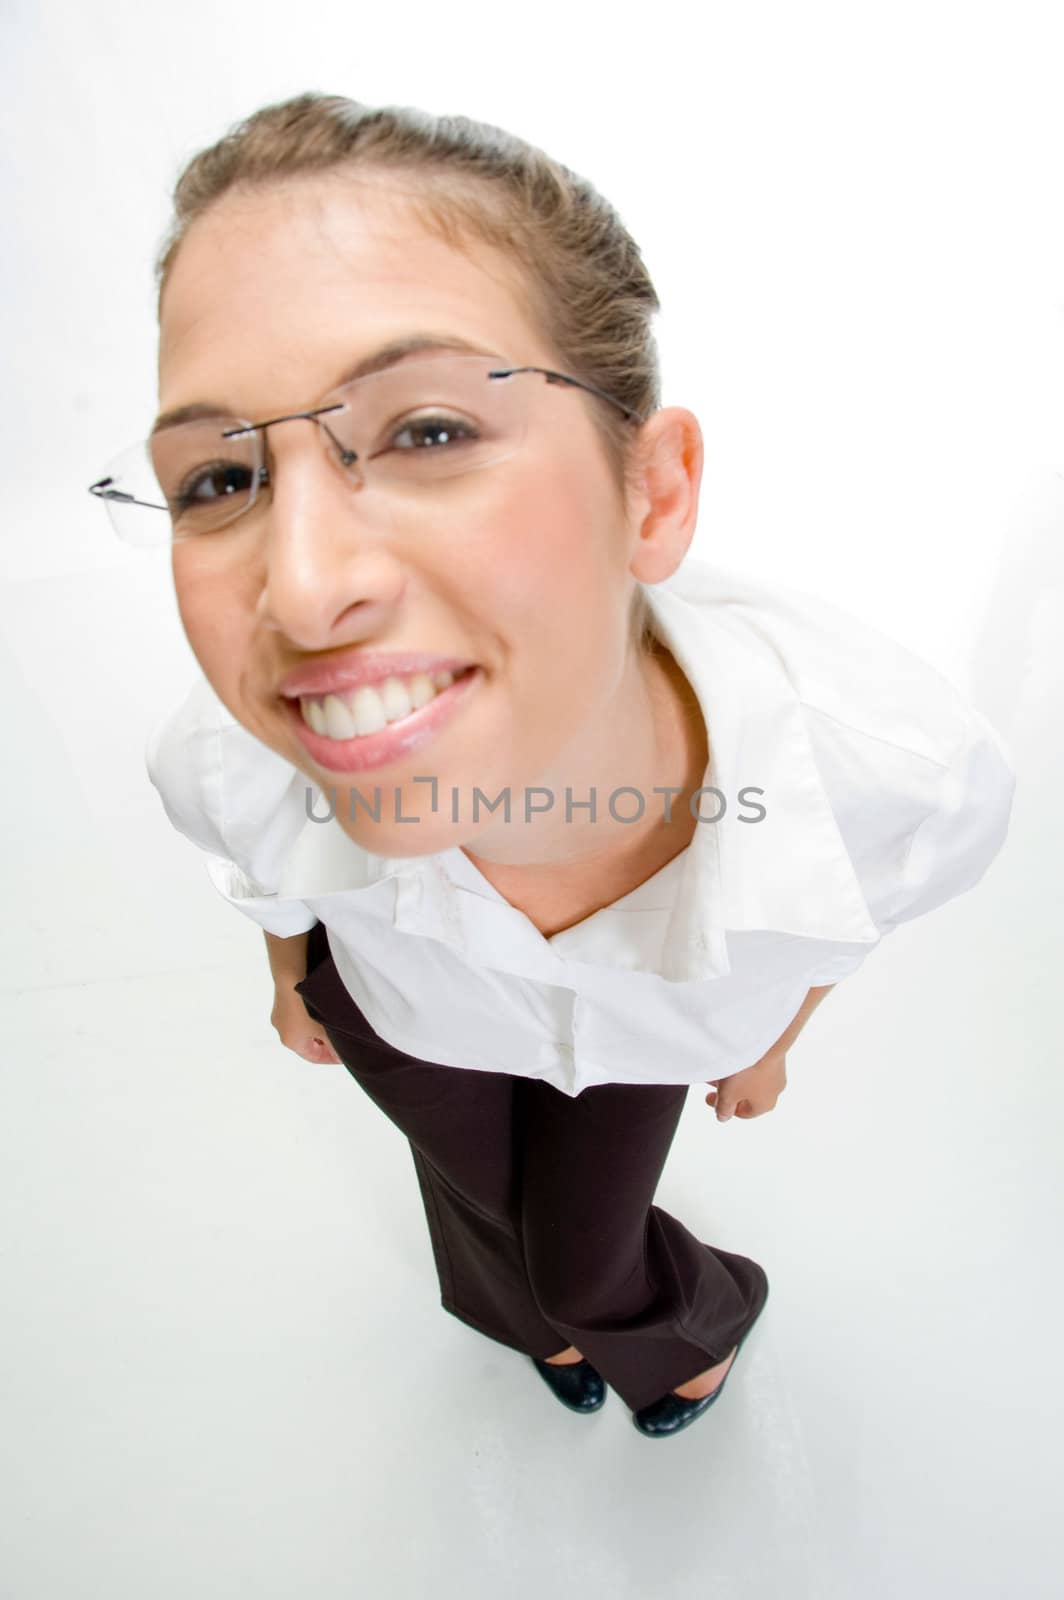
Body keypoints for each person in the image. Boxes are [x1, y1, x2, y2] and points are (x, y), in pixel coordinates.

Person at [88, 91, 1017, 1440]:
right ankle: (538, 1327)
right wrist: (298, 988)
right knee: (484, 1225)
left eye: (426, 430)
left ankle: (668, 1322)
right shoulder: (220, 761)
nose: (298, 589)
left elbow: (858, 920)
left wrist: (772, 1037)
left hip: (653, 1033)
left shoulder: (900, 776)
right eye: (218, 481)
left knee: (586, 1253)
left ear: (651, 489)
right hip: (405, 1016)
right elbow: (262, 872)